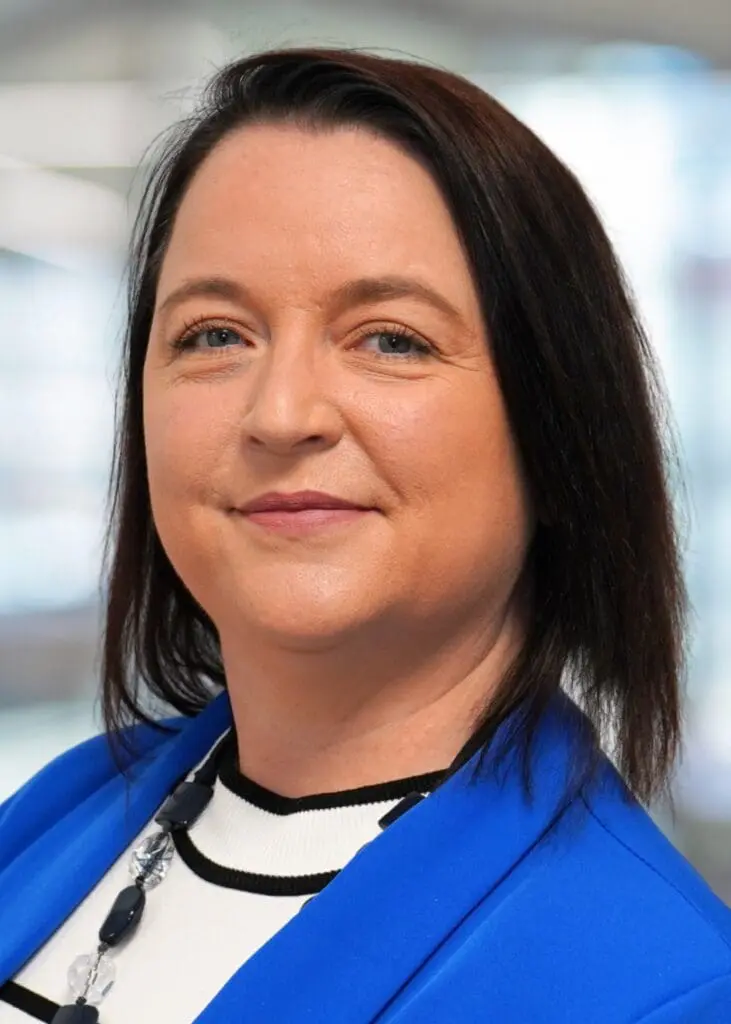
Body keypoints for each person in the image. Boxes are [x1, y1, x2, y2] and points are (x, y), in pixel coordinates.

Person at [0, 45, 729, 1024]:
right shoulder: (57, 813)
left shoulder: (656, 986)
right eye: (214, 334)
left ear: (559, 432)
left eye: (391, 338)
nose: (281, 411)